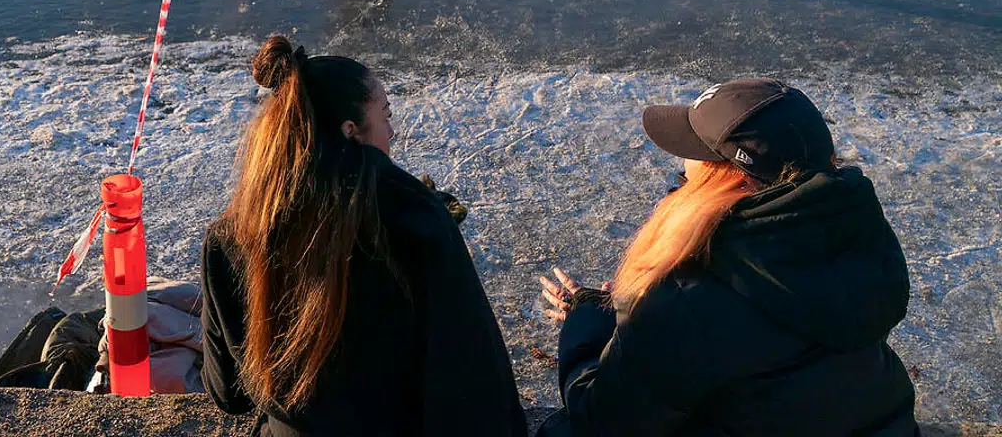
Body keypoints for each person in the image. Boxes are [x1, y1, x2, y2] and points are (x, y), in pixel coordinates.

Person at [537, 79, 918, 437]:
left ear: (728, 180)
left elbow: (605, 421)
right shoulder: (859, 240)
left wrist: (587, 320)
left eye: (688, 170)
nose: (680, 171)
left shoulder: (688, 297)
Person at [201, 36, 526, 436]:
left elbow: (230, 394)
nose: (391, 132)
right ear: (351, 131)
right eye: (385, 116)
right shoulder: (418, 224)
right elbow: (474, 385)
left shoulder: (230, 237)